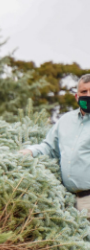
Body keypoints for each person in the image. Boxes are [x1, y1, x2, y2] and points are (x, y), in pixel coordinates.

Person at [20, 74, 90, 211]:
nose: (88, 95)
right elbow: (49, 147)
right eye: (84, 92)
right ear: (77, 96)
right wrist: (29, 151)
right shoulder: (65, 121)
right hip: (68, 199)